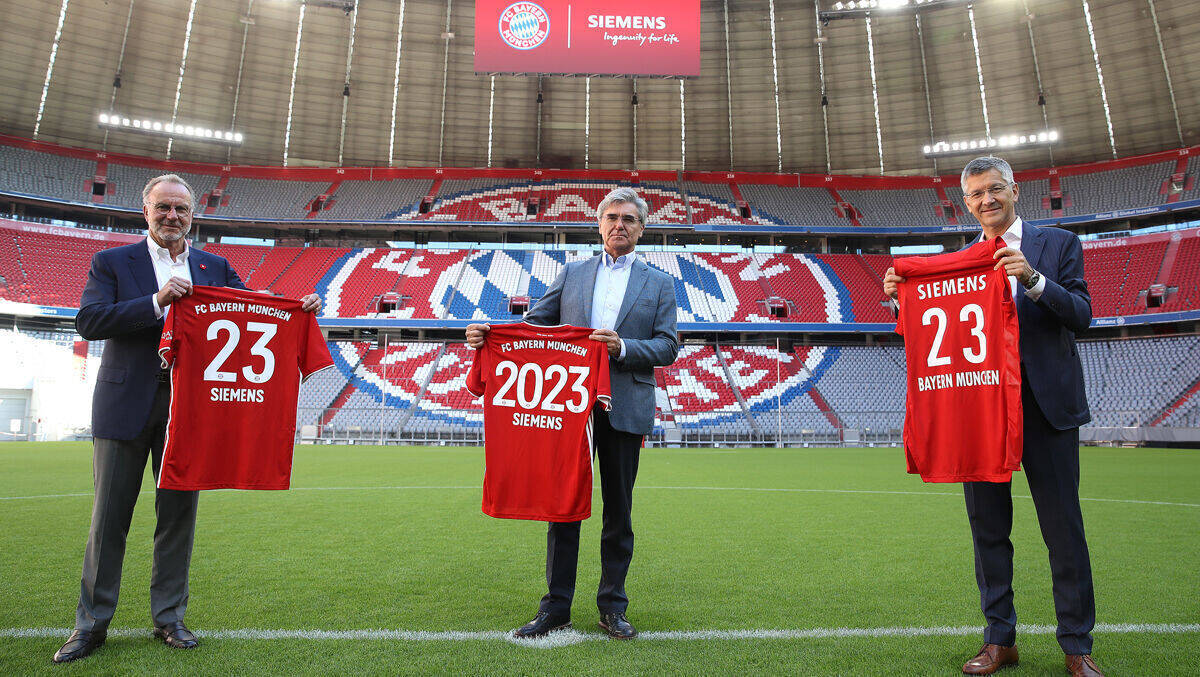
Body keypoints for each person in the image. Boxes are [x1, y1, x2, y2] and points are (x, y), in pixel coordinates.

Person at [53, 174, 322, 663]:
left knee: (177, 519)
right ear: (146, 209)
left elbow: (253, 310)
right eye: (163, 208)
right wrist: (157, 301)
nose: (171, 216)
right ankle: (90, 626)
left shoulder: (214, 265)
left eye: (180, 209)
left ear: (192, 214)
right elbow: (89, 321)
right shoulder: (112, 261)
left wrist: (297, 310)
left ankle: (169, 617)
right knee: (108, 521)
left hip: (191, 412)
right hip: (125, 405)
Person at [884, 157, 1101, 677]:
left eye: (995, 189)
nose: (987, 200)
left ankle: (1076, 645)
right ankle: (999, 639)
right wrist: (901, 301)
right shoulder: (958, 263)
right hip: (980, 409)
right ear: (967, 202)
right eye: (977, 194)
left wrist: (1034, 281)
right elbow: (937, 333)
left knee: (1062, 528)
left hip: (1044, 406)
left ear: (1015, 191)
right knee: (988, 529)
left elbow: (1083, 314)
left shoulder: (1058, 245)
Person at [466, 187, 678, 639]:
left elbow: (668, 346)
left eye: (630, 220)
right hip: (568, 408)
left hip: (624, 404)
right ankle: (556, 606)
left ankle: (612, 607)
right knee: (562, 507)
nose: (620, 225)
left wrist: (622, 346)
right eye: (612, 217)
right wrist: (490, 335)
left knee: (618, 511)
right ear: (599, 224)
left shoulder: (659, 283)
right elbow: (535, 324)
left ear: (642, 229)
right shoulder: (573, 273)